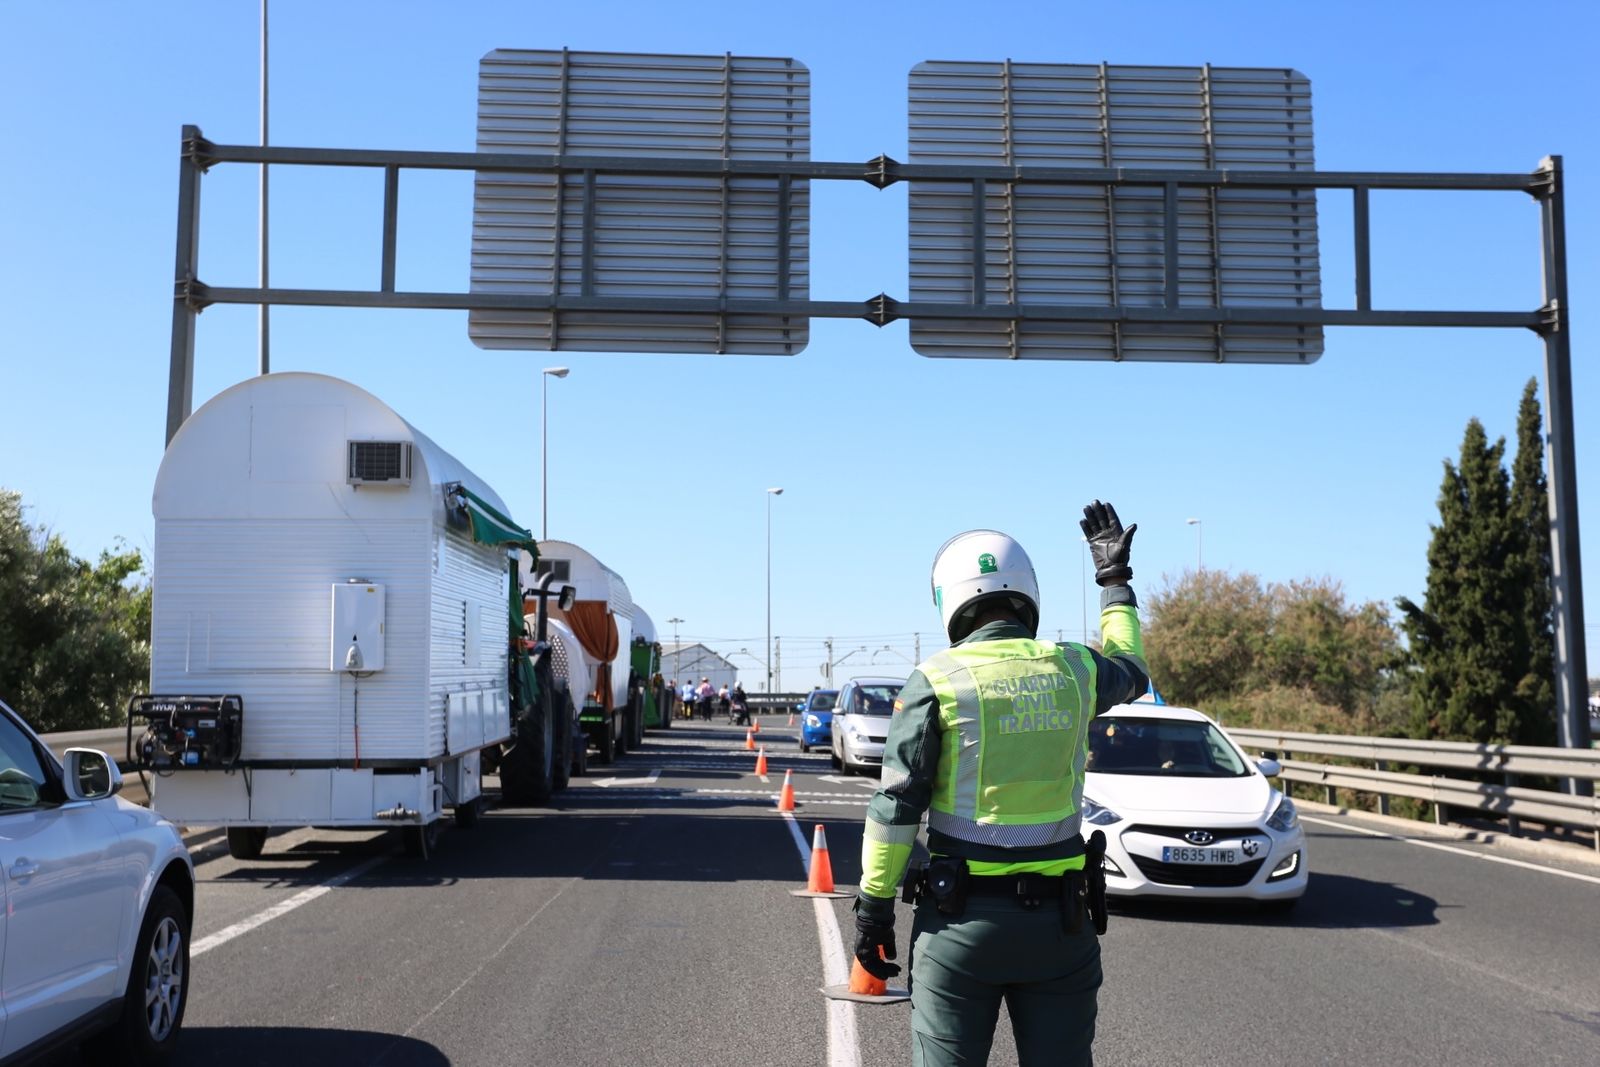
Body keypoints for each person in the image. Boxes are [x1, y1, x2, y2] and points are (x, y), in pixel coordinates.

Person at [853, 502, 1149, 1067]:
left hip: (961, 928)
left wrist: (874, 910)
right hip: (1061, 928)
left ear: (950, 601)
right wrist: (1114, 583)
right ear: (1026, 594)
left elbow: (896, 806)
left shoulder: (936, 680)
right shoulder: (1074, 669)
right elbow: (1132, 668)